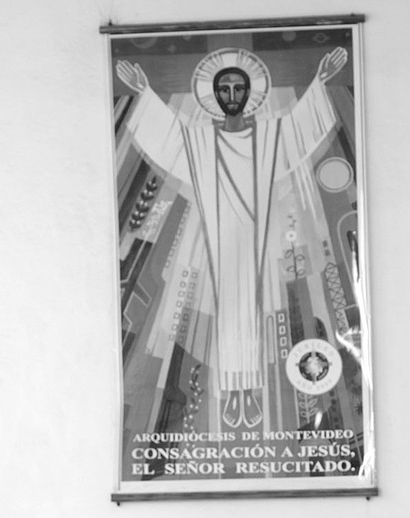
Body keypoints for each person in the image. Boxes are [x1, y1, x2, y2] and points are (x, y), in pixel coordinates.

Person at [116, 47, 347, 428]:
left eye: (240, 88)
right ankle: (232, 394)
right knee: (227, 311)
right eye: (225, 90)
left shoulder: (268, 136)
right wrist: (144, 92)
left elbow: (296, 129)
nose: (233, 96)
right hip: (218, 241)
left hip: (256, 240)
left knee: (253, 307)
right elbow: (173, 138)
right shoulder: (202, 142)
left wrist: (319, 81)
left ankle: (249, 393)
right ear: (215, 97)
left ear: (250, 93)